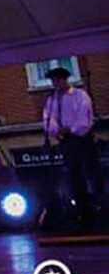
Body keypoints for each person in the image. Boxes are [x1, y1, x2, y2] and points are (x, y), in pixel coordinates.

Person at [43, 66, 98, 226]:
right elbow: (48, 117)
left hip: (81, 139)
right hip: (65, 141)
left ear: (65, 80)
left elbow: (84, 118)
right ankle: (80, 209)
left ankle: (94, 207)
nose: (55, 84)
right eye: (53, 81)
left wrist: (71, 128)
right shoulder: (52, 99)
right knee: (72, 175)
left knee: (87, 172)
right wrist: (55, 131)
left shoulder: (79, 95)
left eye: (58, 80)